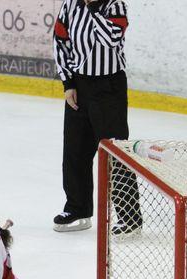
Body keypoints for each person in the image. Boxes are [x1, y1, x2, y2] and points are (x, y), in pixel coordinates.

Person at [52, 0, 140, 234]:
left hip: (108, 88)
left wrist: (92, 8)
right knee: (75, 151)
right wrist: (68, 82)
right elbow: (60, 40)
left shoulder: (115, 5)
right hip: (79, 86)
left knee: (116, 153)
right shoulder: (70, 4)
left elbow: (110, 40)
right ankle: (78, 209)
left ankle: (130, 218)